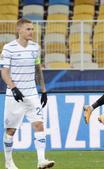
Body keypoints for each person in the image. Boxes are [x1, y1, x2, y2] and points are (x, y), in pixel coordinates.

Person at [0, 18, 54, 169]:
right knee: (10, 130)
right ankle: (9, 162)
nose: (32, 31)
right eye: (28, 29)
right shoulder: (8, 48)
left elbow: (38, 69)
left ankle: (41, 160)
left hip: (32, 95)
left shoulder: (35, 48)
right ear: (19, 30)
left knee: (39, 125)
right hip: (14, 96)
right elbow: (4, 72)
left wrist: (43, 90)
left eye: (32, 29)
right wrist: (13, 88)